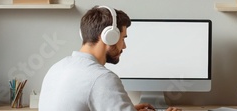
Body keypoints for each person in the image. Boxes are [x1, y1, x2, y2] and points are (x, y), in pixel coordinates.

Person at [39, 6, 180, 111]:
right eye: (123, 38)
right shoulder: (101, 78)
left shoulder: (57, 67)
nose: (124, 46)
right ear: (109, 36)